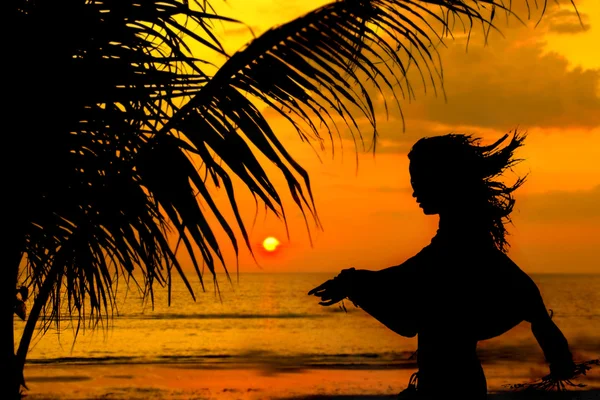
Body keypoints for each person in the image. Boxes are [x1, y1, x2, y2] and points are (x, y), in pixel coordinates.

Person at [308, 132, 592, 399]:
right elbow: (408, 286)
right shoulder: (462, 245)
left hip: (453, 388)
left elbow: (408, 300)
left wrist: (354, 283)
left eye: (419, 181)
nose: (414, 192)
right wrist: (356, 283)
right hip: (451, 384)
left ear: (445, 181)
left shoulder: (458, 248)